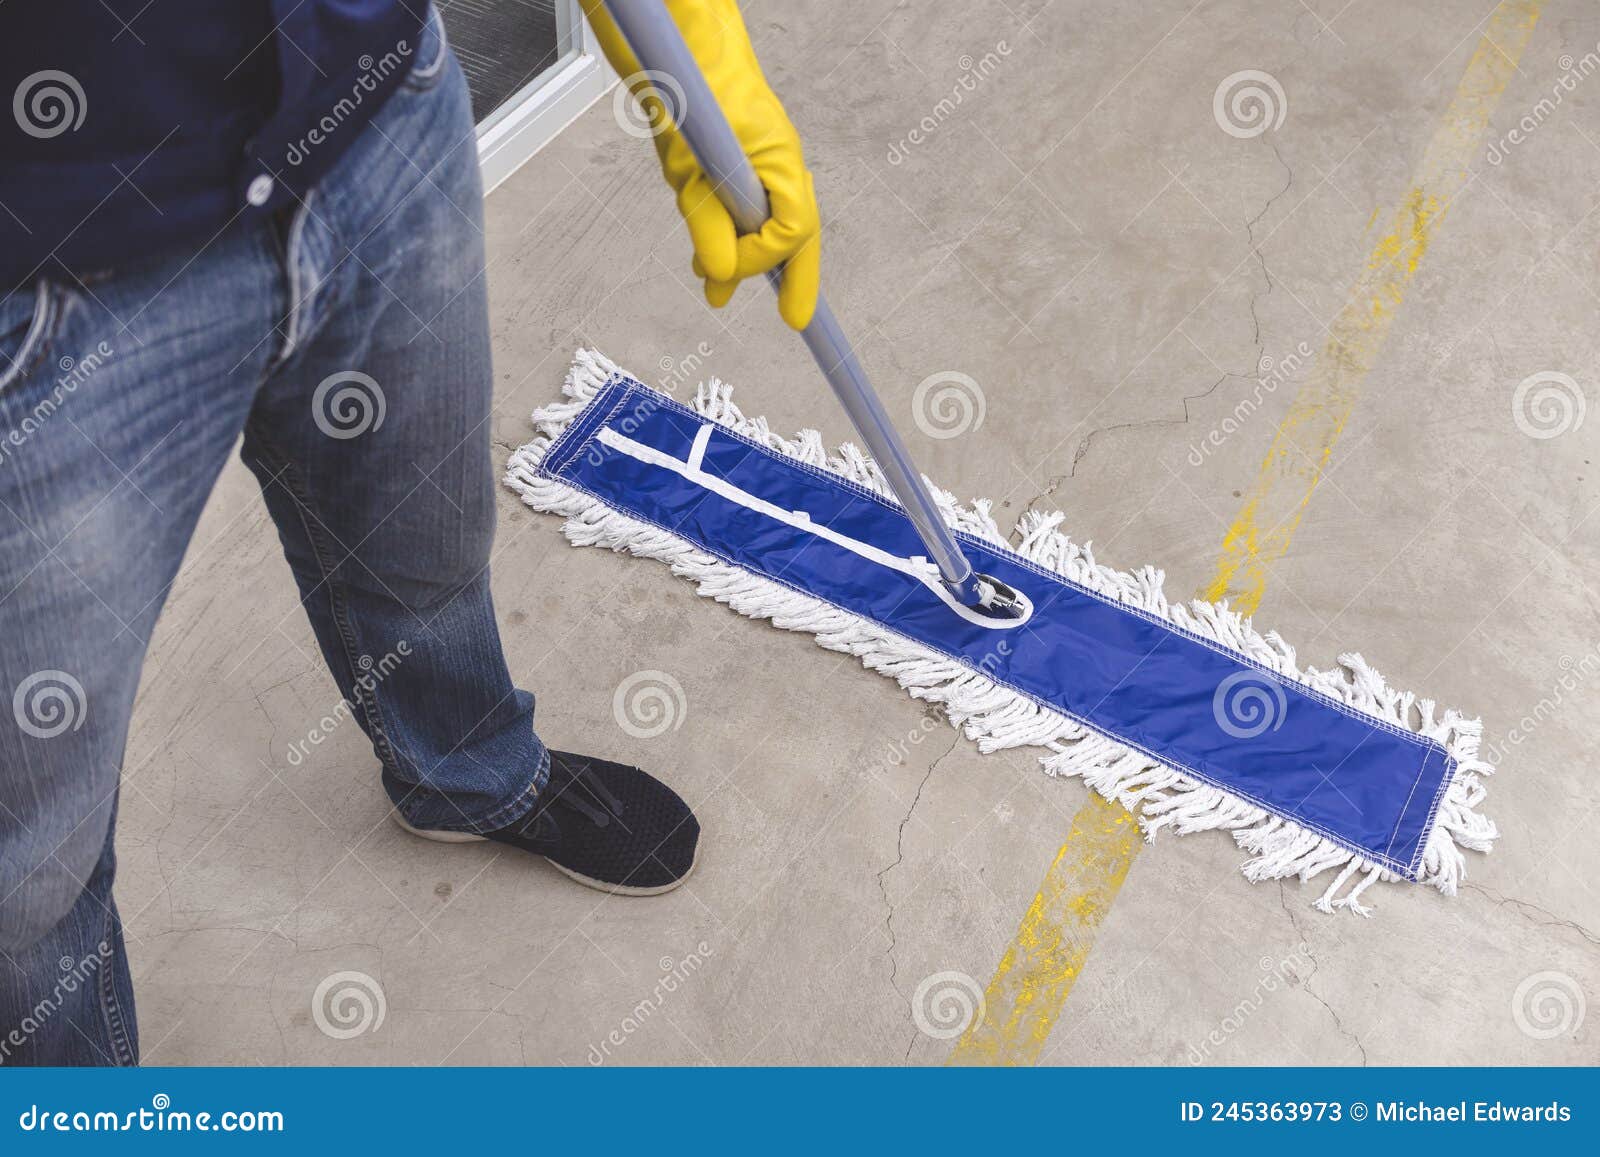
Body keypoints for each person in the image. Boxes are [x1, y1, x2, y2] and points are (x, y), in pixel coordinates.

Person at [0, 0, 820, 1066]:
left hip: (375, 121)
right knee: (27, 860)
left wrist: (693, 56)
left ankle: (466, 767)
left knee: (419, 547)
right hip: (48, 266)